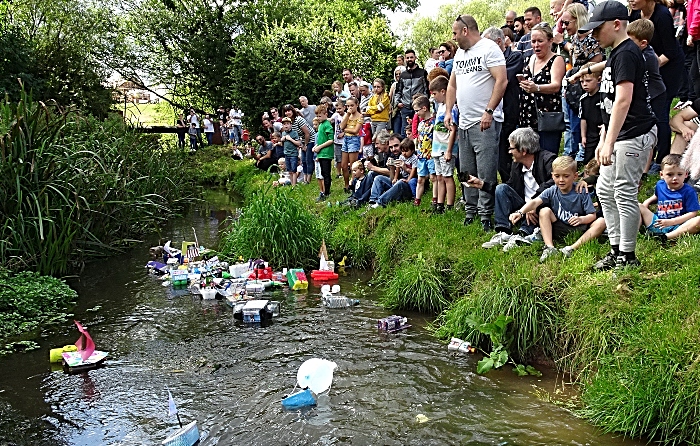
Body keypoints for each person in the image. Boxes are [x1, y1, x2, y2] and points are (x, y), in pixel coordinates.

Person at [579, 0, 658, 270]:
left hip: (634, 133)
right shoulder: (615, 53)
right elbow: (609, 103)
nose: (593, 34)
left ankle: (628, 256)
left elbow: (624, 100)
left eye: (598, 29)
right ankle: (616, 249)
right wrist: (604, 137)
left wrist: (609, 142)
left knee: (623, 192)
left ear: (615, 24)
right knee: (603, 188)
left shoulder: (626, 52)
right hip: (618, 134)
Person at [445, 14, 508, 231]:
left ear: (465, 30)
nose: (452, 37)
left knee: (486, 170)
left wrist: (489, 111)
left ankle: (485, 214)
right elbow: (452, 85)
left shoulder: (489, 48)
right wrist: (447, 111)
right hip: (464, 123)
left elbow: (502, 80)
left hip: (485, 122)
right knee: (466, 169)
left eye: (454, 33)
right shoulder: (460, 54)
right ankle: (470, 210)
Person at [473, 127, 556, 248]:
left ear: (523, 150)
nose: (509, 152)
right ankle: (504, 232)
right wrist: (482, 185)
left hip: (543, 205)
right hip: (524, 207)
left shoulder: (548, 160)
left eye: (511, 148)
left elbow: (554, 183)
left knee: (539, 208)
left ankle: (523, 235)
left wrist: (533, 203)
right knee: (502, 188)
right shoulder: (517, 165)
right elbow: (509, 187)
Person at [507, 156, 597, 261]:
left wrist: (582, 219)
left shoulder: (581, 191)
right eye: (557, 176)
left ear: (575, 176)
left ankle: (571, 248)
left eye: (566, 176)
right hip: (558, 227)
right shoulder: (552, 190)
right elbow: (535, 201)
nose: (561, 180)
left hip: (579, 228)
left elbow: (592, 215)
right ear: (552, 176)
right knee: (544, 211)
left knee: (601, 222)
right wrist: (520, 212)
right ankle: (550, 247)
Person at [630, 0, 684, 167]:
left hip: (667, 67)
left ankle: (662, 157)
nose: (630, 0)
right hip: (647, 64)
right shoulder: (634, 13)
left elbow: (670, 51)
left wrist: (647, 67)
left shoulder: (661, 15)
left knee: (660, 112)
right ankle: (646, 155)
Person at [555, 3, 604, 159]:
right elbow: (573, 61)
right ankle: (569, 152)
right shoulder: (575, 38)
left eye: (567, 23)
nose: (564, 26)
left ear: (578, 20)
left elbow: (595, 64)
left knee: (581, 121)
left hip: (587, 84)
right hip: (573, 86)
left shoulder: (593, 38)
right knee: (569, 123)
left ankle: (580, 154)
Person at [483, 26, 524, 184]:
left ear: (498, 42)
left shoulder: (514, 57)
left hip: (509, 114)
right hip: (493, 114)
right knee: (498, 157)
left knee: (508, 155)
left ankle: (513, 188)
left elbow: (502, 79)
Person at [518, 22, 566, 154]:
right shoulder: (530, 58)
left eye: (540, 41)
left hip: (547, 118)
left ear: (550, 41)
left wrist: (536, 88)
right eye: (533, 41)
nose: (536, 45)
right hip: (527, 116)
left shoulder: (557, 60)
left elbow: (556, 86)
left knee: (546, 157)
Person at [639, 154, 700, 242]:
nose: (675, 178)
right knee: (637, 206)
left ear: (686, 174)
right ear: (661, 174)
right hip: (658, 222)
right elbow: (656, 196)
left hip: (679, 226)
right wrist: (647, 202)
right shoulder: (660, 185)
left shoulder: (689, 192)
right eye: (670, 174)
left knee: (698, 220)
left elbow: (693, 213)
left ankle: (666, 237)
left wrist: (672, 222)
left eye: (679, 174)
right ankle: (635, 233)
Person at [429, 75, 459, 213]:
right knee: (439, 177)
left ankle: (450, 205)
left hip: (445, 149)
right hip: (436, 148)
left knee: (447, 177)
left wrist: (449, 150)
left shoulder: (451, 107)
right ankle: (439, 205)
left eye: (434, 94)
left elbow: (453, 130)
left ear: (443, 91)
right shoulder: (440, 107)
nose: (433, 97)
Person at [369, 138, 419, 208]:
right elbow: (395, 173)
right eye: (391, 147)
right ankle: (373, 202)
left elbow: (417, 173)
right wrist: (392, 169)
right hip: (400, 182)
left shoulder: (415, 157)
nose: (393, 149)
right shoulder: (400, 156)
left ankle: (380, 203)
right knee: (378, 178)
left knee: (401, 183)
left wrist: (405, 169)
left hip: (409, 185)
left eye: (396, 146)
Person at [393, 49, 429, 138]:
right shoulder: (403, 75)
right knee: (405, 132)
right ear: (405, 59)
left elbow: (426, 90)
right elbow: (398, 91)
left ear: (415, 58)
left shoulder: (422, 72)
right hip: (405, 107)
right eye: (407, 58)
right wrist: (397, 103)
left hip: (419, 107)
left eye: (411, 57)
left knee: (420, 130)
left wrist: (425, 102)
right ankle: (405, 151)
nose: (409, 59)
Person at [413, 95, 437, 207]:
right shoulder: (421, 123)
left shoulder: (434, 122)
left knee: (433, 177)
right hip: (421, 155)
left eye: (417, 110)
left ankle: (435, 199)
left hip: (431, 155)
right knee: (420, 179)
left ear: (424, 108)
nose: (416, 113)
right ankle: (417, 200)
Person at [578, 62, 605, 165]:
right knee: (588, 159)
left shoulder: (603, 96)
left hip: (602, 132)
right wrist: (583, 136)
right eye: (582, 82)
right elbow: (583, 118)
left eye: (588, 81)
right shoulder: (583, 99)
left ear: (599, 79)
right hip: (590, 134)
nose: (585, 84)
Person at [282, 103, 315, 185]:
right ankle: (305, 179)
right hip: (302, 141)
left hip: (310, 139)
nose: (287, 113)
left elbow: (307, 133)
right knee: (303, 160)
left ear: (292, 111)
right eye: (286, 112)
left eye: (289, 111)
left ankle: (308, 179)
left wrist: (305, 145)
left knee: (308, 159)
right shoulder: (289, 122)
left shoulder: (298, 119)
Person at [340, 97, 364, 193]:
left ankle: (353, 184)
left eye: (352, 105)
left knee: (353, 165)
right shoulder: (347, 115)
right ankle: (346, 185)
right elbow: (341, 126)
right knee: (344, 166)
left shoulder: (360, 116)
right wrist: (348, 114)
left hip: (354, 140)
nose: (350, 108)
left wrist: (345, 129)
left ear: (356, 105)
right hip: (346, 139)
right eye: (348, 106)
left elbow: (355, 131)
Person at [313, 104, 335, 202]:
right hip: (321, 153)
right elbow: (321, 139)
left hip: (326, 153)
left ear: (326, 114)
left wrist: (320, 147)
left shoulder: (327, 125)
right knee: (322, 172)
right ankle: (325, 192)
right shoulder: (321, 124)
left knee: (326, 173)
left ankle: (327, 193)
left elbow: (331, 140)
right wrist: (316, 146)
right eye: (317, 116)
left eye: (320, 116)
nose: (318, 118)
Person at [280, 116, 302, 187]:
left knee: (294, 170)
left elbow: (298, 143)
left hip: (293, 154)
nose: (286, 125)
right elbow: (282, 144)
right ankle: (292, 183)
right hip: (286, 154)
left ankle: (294, 185)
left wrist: (290, 139)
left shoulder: (294, 133)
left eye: (287, 124)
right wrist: (281, 140)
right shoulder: (283, 133)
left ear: (291, 125)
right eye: (284, 124)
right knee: (289, 170)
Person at [330, 98, 346, 178]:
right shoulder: (336, 115)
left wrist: (344, 133)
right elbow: (331, 120)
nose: (338, 110)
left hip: (345, 140)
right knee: (337, 158)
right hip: (337, 141)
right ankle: (338, 173)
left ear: (344, 107)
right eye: (336, 109)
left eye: (339, 108)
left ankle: (345, 171)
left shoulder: (347, 116)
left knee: (344, 158)